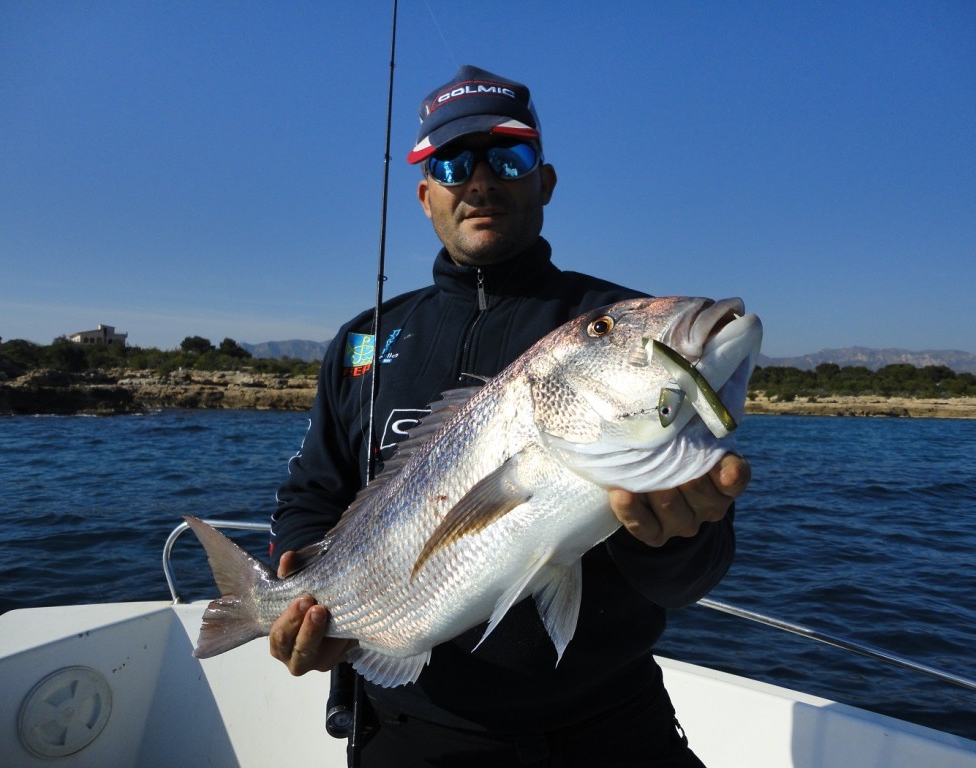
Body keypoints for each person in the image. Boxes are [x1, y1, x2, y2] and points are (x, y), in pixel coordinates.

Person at [268, 65, 750, 767]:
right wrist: (296, 585)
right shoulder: (362, 342)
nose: (481, 180)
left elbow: (692, 576)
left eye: (509, 157)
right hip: (409, 733)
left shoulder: (616, 326)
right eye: (454, 162)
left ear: (545, 181)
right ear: (425, 193)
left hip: (610, 730)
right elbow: (312, 493)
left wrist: (675, 540)